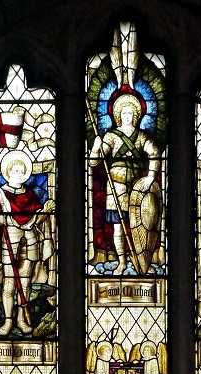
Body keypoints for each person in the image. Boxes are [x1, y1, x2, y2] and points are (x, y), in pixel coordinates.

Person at [0, 149, 54, 336]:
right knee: (10, 283)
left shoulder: (30, 194)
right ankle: (8, 320)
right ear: (8, 172)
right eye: (15, 171)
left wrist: (44, 211)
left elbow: (37, 219)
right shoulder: (0, 194)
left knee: (26, 282)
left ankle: (21, 318)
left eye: (22, 171)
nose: (19, 174)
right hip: (10, 240)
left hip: (30, 240)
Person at [89, 94, 160, 274]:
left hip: (137, 188)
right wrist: (96, 148)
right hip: (116, 187)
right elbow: (94, 162)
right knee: (118, 228)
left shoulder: (141, 137)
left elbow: (155, 152)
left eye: (131, 113)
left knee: (140, 227)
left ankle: (142, 262)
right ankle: (122, 262)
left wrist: (151, 177)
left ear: (136, 116)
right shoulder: (112, 136)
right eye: (124, 113)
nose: (128, 116)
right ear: (119, 115)